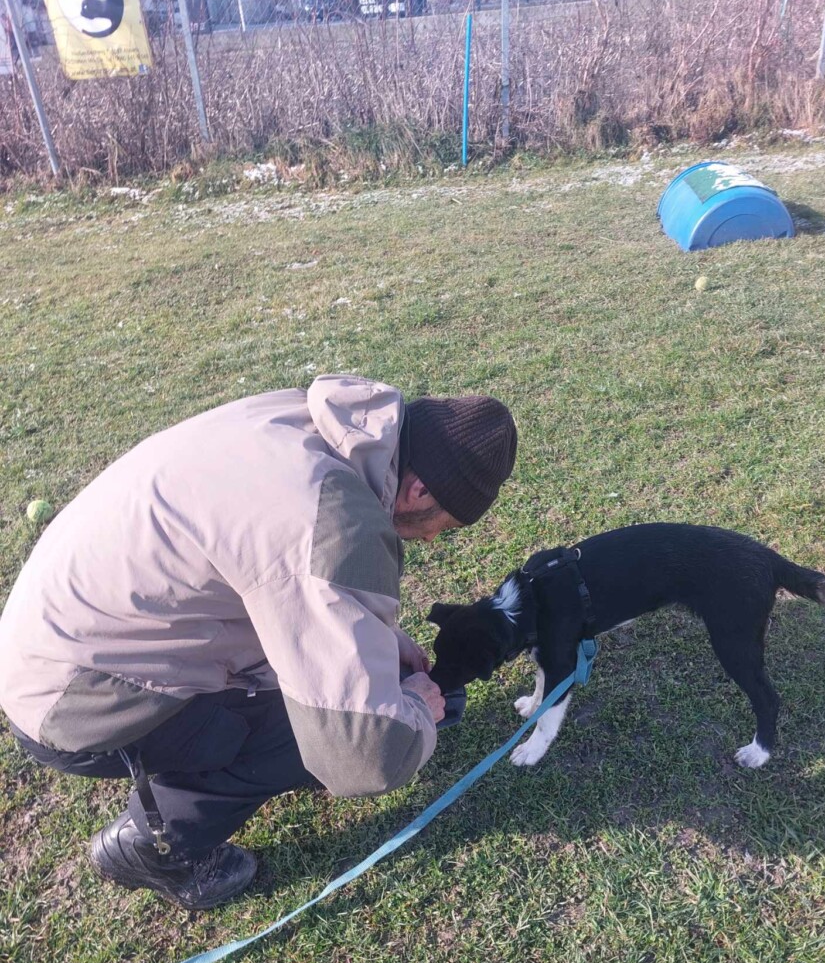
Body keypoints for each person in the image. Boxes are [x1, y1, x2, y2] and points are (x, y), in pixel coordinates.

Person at [0, 376, 517, 910]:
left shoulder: (307, 423)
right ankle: (155, 844)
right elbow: (365, 757)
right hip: (70, 700)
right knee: (325, 730)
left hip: (50, 645)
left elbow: (267, 568)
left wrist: (380, 639)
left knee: (355, 683)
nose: (431, 538)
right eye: (443, 525)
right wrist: (415, 709)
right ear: (421, 490)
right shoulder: (336, 524)